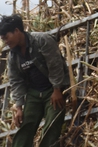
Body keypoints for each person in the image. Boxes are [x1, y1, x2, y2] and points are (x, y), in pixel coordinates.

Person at [1, 14, 70, 147]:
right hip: (34, 93)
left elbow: (55, 65)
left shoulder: (42, 40)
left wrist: (57, 89)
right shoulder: (13, 56)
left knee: (52, 124)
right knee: (25, 125)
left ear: (16, 30)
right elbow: (16, 81)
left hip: (52, 89)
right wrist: (19, 106)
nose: (6, 42)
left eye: (6, 37)